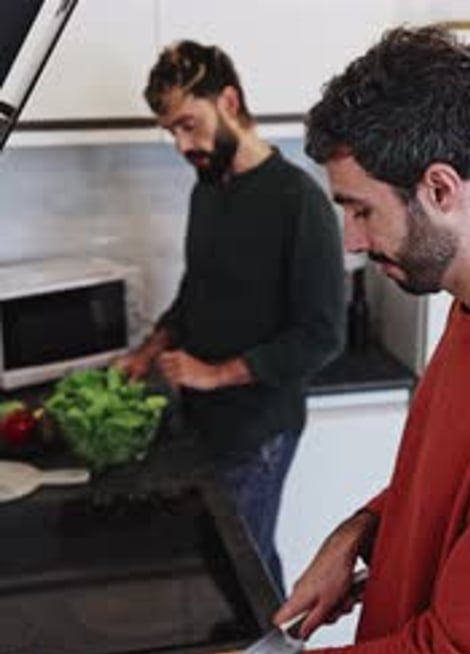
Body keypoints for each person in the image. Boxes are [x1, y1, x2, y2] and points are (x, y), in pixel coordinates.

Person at [192, 25, 470, 654]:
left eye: (362, 210)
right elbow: (451, 479)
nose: (356, 241)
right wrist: (360, 532)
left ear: (441, 187)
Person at [117, 40, 345, 594]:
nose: (182, 144)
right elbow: (197, 290)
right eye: (171, 131)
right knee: (237, 563)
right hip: (207, 420)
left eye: (190, 125)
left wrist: (213, 373)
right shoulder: (209, 190)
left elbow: (321, 336)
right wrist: (150, 349)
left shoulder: (298, 202)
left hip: (259, 427)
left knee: (243, 573)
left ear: (230, 100)